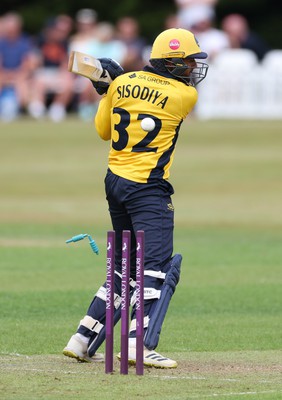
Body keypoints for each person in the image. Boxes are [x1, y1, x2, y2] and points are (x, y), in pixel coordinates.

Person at [63, 28, 208, 369]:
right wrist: (117, 83)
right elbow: (159, 93)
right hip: (148, 187)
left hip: (114, 182)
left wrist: (107, 89)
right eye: (187, 63)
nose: (192, 70)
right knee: (156, 269)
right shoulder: (184, 97)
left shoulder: (121, 85)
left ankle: (83, 339)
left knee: (124, 268)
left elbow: (103, 131)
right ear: (169, 64)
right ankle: (136, 345)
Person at [0, 12, 36, 121]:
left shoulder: (25, 41)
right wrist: (5, 74)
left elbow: (27, 63)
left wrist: (18, 74)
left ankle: (23, 109)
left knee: (22, 82)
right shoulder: (1, 42)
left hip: (20, 74)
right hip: (3, 73)